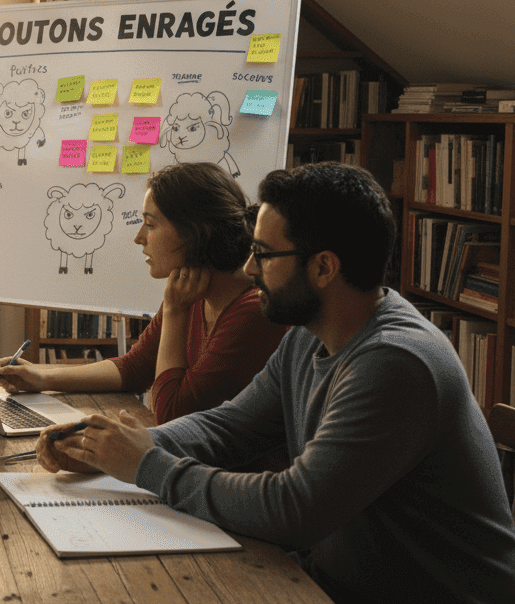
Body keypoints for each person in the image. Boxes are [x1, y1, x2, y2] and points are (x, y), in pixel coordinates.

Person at [38, 162, 515, 603]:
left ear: (324, 267)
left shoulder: (394, 362)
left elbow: (295, 508)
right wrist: (105, 448)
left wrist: (147, 465)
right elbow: (227, 427)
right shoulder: (308, 337)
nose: (248, 269)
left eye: (263, 255)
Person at [0, 162, 286, 424]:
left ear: (199, 233)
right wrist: (41, 376)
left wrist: (174, 312)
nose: (139, 238)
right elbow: (135, 368)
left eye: (150, 225)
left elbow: (170, 413)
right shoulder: (194, 292)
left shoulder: (251, 312)